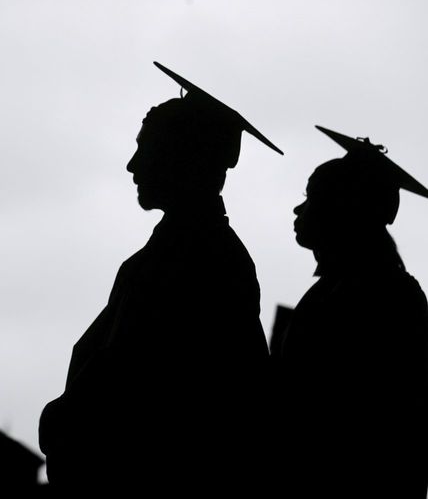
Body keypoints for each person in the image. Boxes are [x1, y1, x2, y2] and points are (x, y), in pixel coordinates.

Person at [39, 62, 282, 495]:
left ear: (186, 157)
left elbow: (136, 383)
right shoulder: (189, 251)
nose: (133, 165)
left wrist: (64, 419)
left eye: (147, 148)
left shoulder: (195, 258)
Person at [273, 126, 428, 498]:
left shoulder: (380, 297)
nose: (299, 208)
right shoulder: (356, 289)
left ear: (345, 208)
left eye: (312, 196)